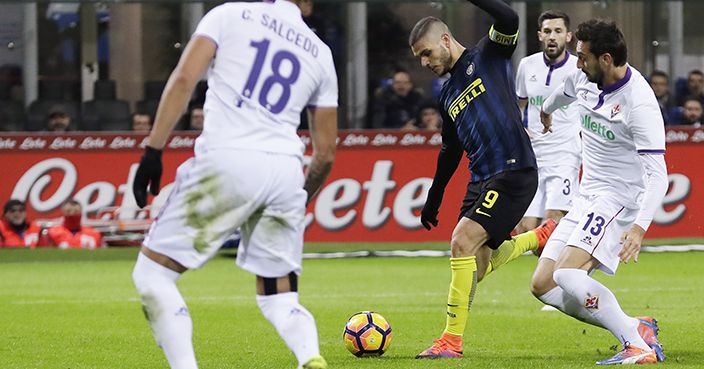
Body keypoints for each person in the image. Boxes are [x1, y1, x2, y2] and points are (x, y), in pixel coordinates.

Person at [130, 1, 338, 368]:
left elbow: (183, 79)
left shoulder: (229, 14)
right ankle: (310, 357)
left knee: (152, 275)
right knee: (280, 298)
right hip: (286, 169)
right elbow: (325, 153)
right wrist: (296, 198)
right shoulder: (321, 53)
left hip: (229, 157)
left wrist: (153, 150)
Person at [409, 0, 556, 359]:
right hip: (481, 180)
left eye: (426, 53)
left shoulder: (487, 55)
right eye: (419, 59)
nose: (425, 63)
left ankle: (450, 342)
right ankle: (537, 237)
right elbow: (450, 150)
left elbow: (508, 16)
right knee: (477, 267)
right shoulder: (446, 96)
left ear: (445, 39)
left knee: (461, 242)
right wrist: (435, 196)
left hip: (513, 170)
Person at [532, 19, 668, 365]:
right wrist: (546, 111)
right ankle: (636, 327)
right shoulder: (583, 78)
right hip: (586, 195)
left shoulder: (639, 105)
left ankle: (636, 346)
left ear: (605, 59)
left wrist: (638, 227)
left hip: (618, 201)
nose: (577, 63)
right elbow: (563, 91)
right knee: (544, 285)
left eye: (583, 57)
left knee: (567, 273)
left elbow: (658, 176)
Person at [515, 10, 581, 235]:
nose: (553, 36)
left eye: (558, 31)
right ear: (540, 35)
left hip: (565, 155)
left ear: (568, 36)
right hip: (533, 157)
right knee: (525, 228)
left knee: (552, 225)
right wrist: (519, 126)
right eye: (547, 31)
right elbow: (519, 104)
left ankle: (559, 269)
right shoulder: (527, 65)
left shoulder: (578, 69)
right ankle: (550, 268)